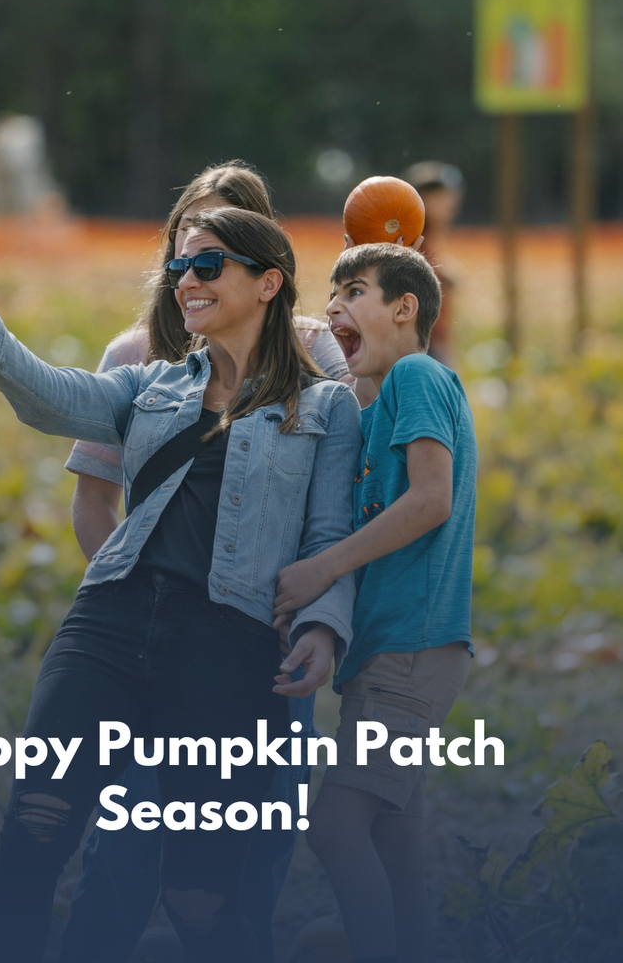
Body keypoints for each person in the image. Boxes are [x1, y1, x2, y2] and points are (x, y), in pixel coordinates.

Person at [0, 206, 362, 963]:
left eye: (207, 266)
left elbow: (329, 537)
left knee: (200, 895)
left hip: (230, 648)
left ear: (269, 282)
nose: (185, 282)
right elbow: (53, 395)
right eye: (177, 268)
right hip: (109, 624)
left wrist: (322, 628)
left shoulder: (324, 404)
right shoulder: (151, 384)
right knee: (34, 823)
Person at [63, 161, 352, 963]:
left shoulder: (311, 352)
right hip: (147, 646)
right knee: (127, 837)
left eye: (222, 244)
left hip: (261, 645)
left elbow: (348, 473)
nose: (197, 263)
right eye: (186, 244)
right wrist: (135, 610)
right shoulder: (133, 353)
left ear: (267, 268)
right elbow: (93, 502)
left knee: (254, 845)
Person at [274, 243, 476, 963]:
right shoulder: (383, 394)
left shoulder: (418, 374)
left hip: (413, 646)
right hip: (395, 648)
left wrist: (321, 568)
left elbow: (429, 499)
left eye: (353, 291)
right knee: (391, 832)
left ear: (404, 308)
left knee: (333, 826)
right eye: (330, 297)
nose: (334, 307)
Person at [402, 161, 466, 368]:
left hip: (432, 333)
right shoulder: (415, 234)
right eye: (443, 198)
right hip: (419, 336)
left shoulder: (434, 232)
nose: (450, 205)